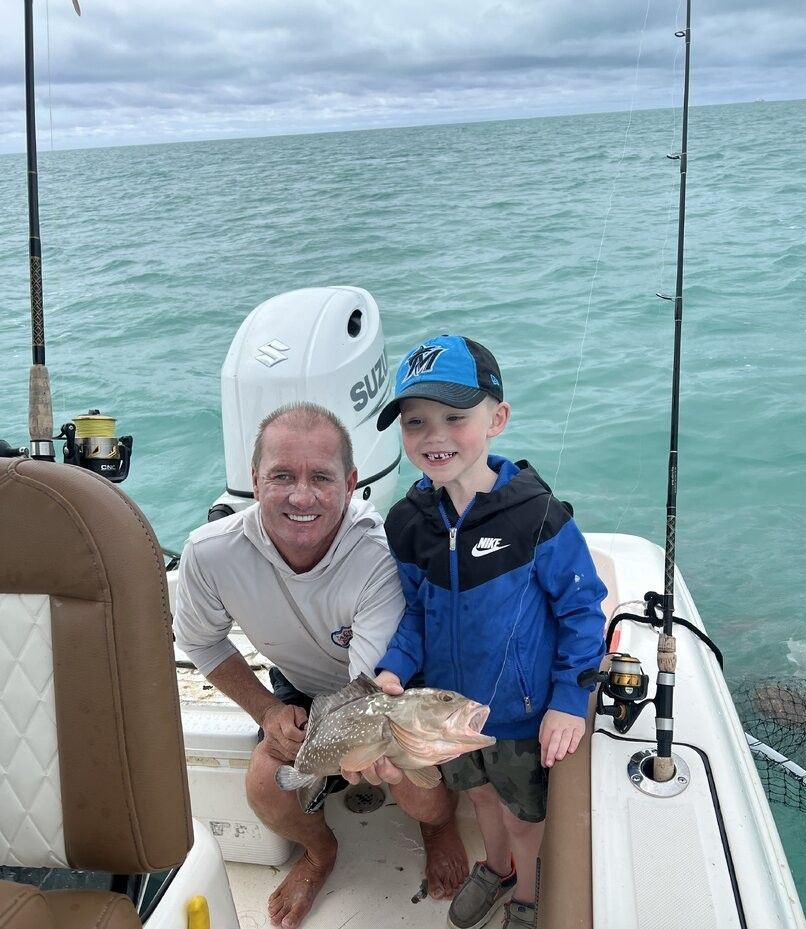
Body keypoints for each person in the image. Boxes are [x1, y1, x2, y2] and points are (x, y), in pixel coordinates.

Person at [173, 402, 469, 929]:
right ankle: (319, 850)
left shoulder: (377, 554)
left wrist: (357, 746)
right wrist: (267, 712)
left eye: (321, 478)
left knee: (411, 781)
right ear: (254, 479)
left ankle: (438, 825)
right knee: (266, 785)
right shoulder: (210, 554)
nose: (301, 496)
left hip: (385, 691)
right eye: (282, 476)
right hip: (300, 688)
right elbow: (202, 643)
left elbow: (369, 690)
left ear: (352, 482)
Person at [372, 336, 607, 929]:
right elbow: (418, 614)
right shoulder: (408, 523)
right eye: (415, 421)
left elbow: (583, 614)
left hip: (522, 716)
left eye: (456, 416)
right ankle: (496, 868)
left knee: (526, 815)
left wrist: (567, 702)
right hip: (450, 717)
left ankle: (526, 891)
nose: (434, 435)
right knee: (478, 795)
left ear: (497, 419)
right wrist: (395, 667)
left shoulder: (537, 516)